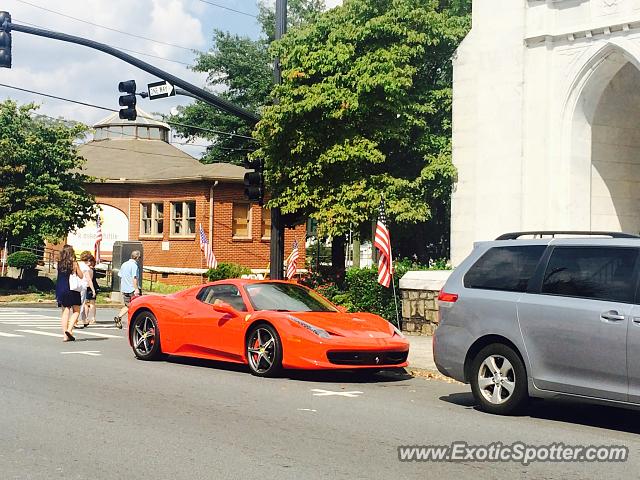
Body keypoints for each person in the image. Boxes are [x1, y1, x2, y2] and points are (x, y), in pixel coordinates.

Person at [55, 244, 83, 341]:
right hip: (73, 289)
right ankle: (70, 329)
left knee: (65, 311)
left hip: (61, 289)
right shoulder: (74, 263)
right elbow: (81, 276)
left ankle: (65, 335)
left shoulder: (59, 263)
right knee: (76, 310)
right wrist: (76, 268)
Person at [114, 250, 141, 329]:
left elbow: (120, 275)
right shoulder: (134, 265)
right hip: (132, 289)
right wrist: (136, 289)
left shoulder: (124, 264)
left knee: (128, 305)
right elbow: (134, 278)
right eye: (139, 257)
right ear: (137, 257)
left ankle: (119, 317)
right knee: (136, 306)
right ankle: (134, 323)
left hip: (125, 288)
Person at [76, 251, 92, 328]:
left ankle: (84, 320)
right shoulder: (85, 267)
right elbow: (88, 279)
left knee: (77, 303)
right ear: (88, 259)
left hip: (75, 286)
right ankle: (76, 321)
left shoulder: (77, 264)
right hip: (82, 286)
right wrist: (93, 289)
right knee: (81, 304)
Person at [83, 254, 98, 327]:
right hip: (92, 286)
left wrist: (93, 289)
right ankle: (92, 317)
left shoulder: (88, 269)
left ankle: (88, 317)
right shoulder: (92, 269)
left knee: (88, 303)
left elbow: (89, 280)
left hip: (89, 287)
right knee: (91, 303)